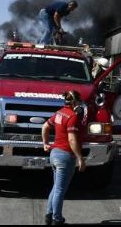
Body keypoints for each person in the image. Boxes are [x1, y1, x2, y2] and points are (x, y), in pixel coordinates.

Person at [41, 90, 86, 225]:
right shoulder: (72, 116)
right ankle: (57, 219)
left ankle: (49, 216)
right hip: (65, 156)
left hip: (54, 154)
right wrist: (80, 158)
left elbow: (45, 126)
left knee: (55, 188)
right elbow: (72, 140)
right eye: (79, 102)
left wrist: (45, 144)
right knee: (60, 190)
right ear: (75, 102)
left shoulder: (59, 113)